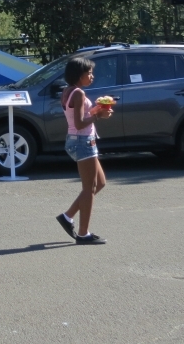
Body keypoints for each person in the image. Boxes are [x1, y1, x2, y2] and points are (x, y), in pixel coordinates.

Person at [55, 56, 114, 245]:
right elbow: (80, 123)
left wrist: (95, 110)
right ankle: (83, 233)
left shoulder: (68, 91)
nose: (92, 76)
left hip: (78, 140)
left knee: (101, 182)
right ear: (78, 75)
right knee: (89, 189)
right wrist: (98, 115)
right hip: (82, 140)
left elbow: (76, 117)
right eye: (89, 73)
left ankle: (68, 216)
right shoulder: (78, 93)